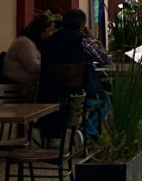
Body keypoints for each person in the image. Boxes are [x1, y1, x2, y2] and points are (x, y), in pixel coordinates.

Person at [37, 9, 110, 139]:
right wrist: (91, 37)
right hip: (83, 94)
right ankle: (86, 133)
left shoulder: (48, 41)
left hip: (52, 94)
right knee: (105, 101)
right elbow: (104, 59)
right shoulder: (84, 41)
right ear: (82, 25)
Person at [2, 14, 53, 88]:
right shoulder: (25, 43)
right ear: (41, 30)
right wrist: (50, 64)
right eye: (50, 30)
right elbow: (33, 67)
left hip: (25, 84)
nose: (51, 34)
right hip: (18, 85)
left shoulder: (30, 43)